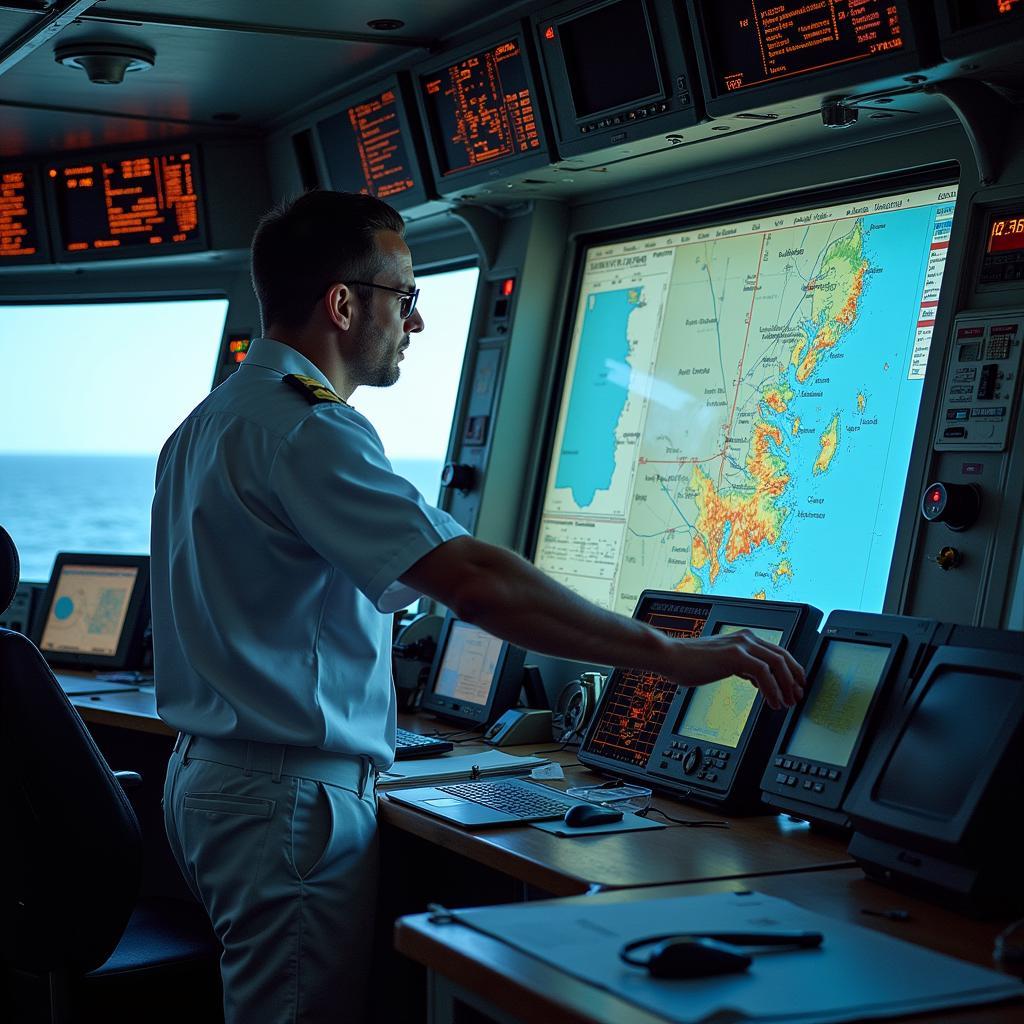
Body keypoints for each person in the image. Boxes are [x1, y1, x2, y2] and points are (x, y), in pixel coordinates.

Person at [150, 189, 805, 1024]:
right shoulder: (307, 431)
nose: (415, 323)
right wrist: (672, 656)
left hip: (213, 780)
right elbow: (473, 581)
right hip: (286, 798)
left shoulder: (207, 423)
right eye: (405, 296)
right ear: (343, 304)